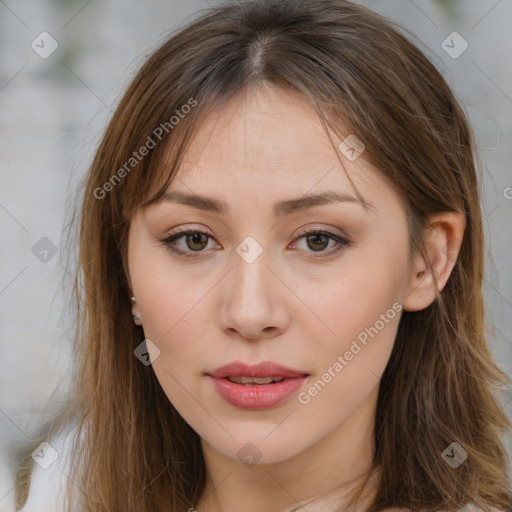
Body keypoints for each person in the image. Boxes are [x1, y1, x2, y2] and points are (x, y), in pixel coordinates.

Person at [15, 0, 512, 511]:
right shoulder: (62, 488)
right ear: (125, 271)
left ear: (427, 261)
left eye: (319, 240)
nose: (250, 313)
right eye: (193, 239)